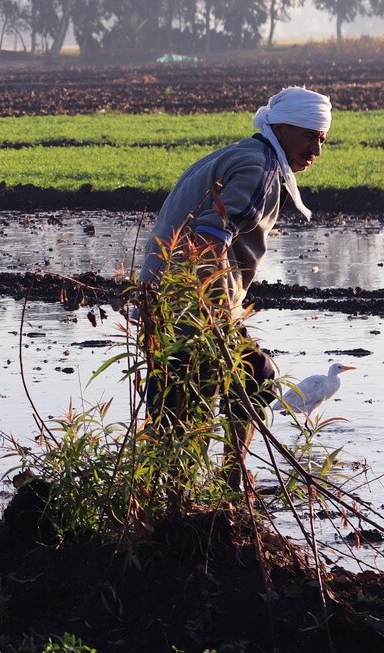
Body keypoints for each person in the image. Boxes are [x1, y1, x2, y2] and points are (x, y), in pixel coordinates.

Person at [138, 85, 330, 484]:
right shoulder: (260, 169)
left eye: (322, 139)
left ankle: (174, 496)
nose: (316, 151)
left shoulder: (246, 155)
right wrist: (218, 321)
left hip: (166, 299)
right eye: (310, 136)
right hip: (191, 302)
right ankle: (228, 484)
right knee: (246, 377)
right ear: (282, 127)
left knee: (178, 403)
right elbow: (208, 241)